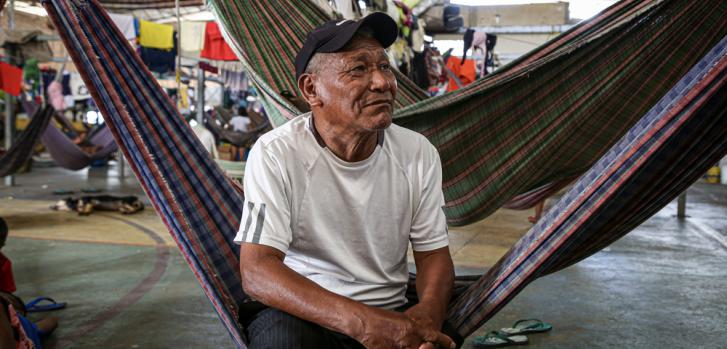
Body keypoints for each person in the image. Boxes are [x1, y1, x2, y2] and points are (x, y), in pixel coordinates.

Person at [235, 13, 461, 349]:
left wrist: (425, 318)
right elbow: (257, 272)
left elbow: (433, 256)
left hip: (391, 310)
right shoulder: (276, 154)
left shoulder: (417, 153)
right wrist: (365, 325)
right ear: (312, 89)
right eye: (359, 69)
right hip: (306, 313)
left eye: (384, 67)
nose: (383, 82)